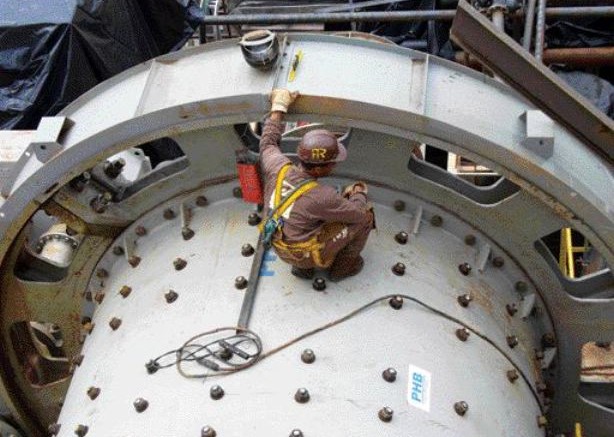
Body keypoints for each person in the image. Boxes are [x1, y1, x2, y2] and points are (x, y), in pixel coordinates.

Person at [258, 89, 374, 282]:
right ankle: (342, 269)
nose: (335, 164)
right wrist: (358, 194)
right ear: (320, 169)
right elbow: (358, 215)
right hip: (304, 254)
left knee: (301, 219)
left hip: (277, 244)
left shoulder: (278, 167)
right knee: (367, 218)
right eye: (333, 162)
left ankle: (302, 271)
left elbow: (267, 143)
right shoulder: (323, 196)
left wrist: (279, 106)